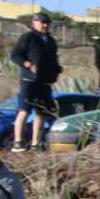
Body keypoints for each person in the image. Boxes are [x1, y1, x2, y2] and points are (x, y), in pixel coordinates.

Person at [10, 12, 62, 151]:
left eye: (47, 23)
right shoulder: (28, 37)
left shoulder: (51, 40)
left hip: (44, 83)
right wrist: (27, 64)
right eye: (42, 22)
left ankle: (35, 144)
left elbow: (53, 59)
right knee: (24, 110)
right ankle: (18, 142)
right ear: (34, 23)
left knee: (42, 113)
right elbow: (15, 55)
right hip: (29, 80)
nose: (44, 25)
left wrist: (56, 71)